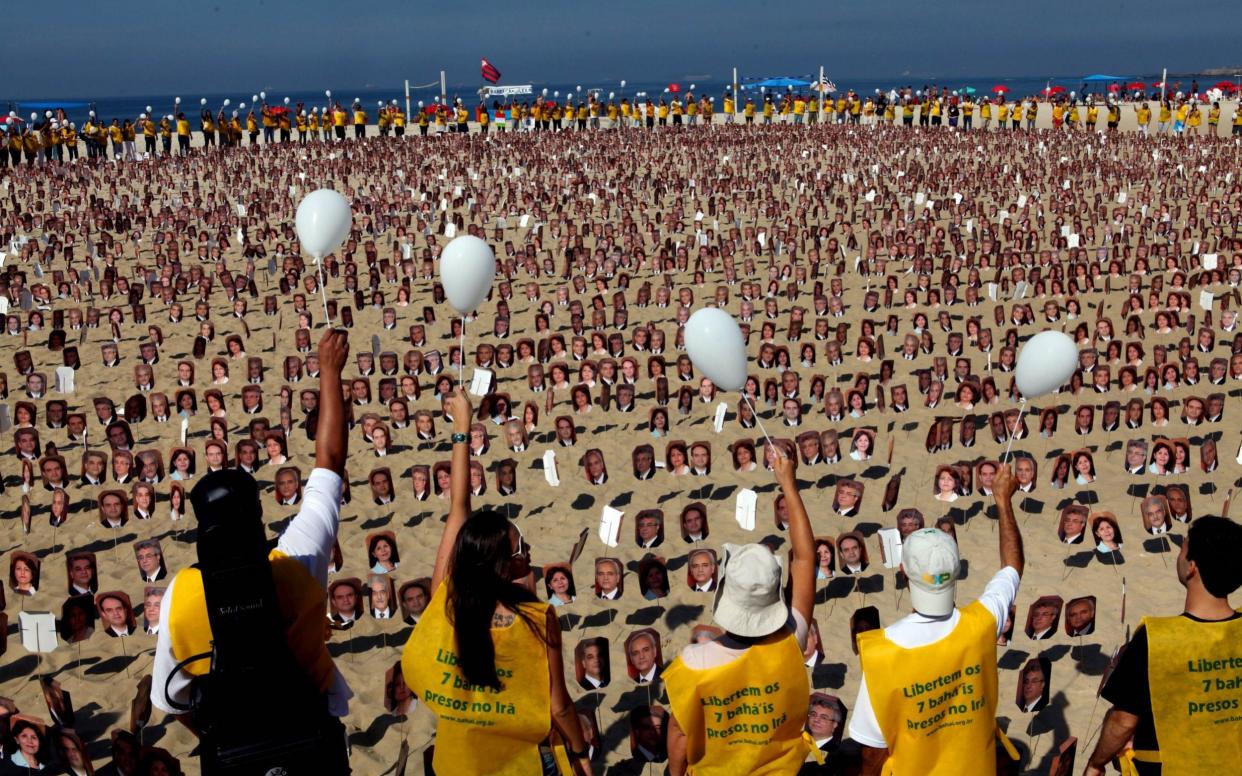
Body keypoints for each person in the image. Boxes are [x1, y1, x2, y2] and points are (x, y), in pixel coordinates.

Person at [151, 329, 353, 773]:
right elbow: (331, 462)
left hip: (235, 754)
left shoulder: (180, 595)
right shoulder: (296, 564)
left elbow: (169, 698)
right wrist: (329, 371)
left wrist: (223, 731)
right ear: (258, 518)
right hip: (312, 742)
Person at [400, 388, 593, 776]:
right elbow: (558, 705)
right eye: (521, 549)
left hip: (458, 761)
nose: (529, 553)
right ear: (503, 564)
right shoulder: (539, 617)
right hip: (520, 762)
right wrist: (579, 745)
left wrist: (462, 428)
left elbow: (458, 507)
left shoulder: (446, 597)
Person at [849, 464, 1024, 775]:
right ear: (956, 569)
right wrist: (1003, 501)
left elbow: (872, 754)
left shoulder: (881, 652)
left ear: (903, 572)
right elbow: (1012, 567)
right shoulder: (982, 623)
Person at [664, 447, 817, 775]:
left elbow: (679, 733)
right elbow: (805, 559)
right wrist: (789, 485)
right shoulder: (791, 639)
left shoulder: (693, 661)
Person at [1085, 516, 1242, 775]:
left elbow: (1123, 722)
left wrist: (1097, 762)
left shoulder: (1157, 638)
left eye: (1183, 549)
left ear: (1191, 567)